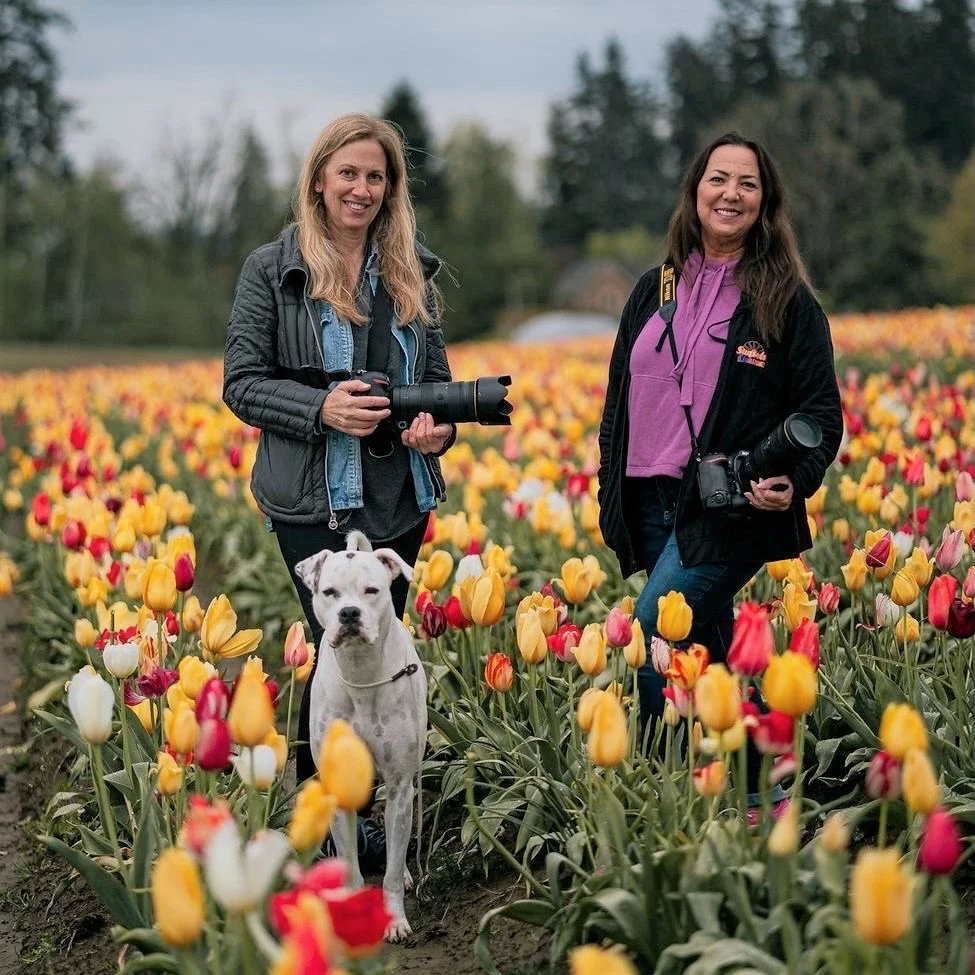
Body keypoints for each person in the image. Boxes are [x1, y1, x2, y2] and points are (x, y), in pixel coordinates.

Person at [222, 114, 455, 840]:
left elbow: (440, 386)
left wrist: (436, 428)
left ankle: (378, 803)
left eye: (375, 177)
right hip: (310, 502)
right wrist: (322, 407)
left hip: (398, 499)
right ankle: (325, 806)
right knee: (330, 640)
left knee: (382, 645)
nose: (360, 188)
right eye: (347, 173)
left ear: (391, 189)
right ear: (319, 178)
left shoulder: (412, 270)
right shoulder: (272, 269)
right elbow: (241, 383)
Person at [597, 133, 843, 800]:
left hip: (729, 504)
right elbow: (618, 398)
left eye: (746, 183)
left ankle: (665, 782)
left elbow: (820, 410)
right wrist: (607, 490)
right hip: (649, 500)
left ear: (765, 203)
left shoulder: (783, 298)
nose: (729, 193)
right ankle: (765, 782)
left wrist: (795, 477)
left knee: (654, 628)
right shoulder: (654, 289)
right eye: (717, 179)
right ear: (694, 191)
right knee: (702, 648)